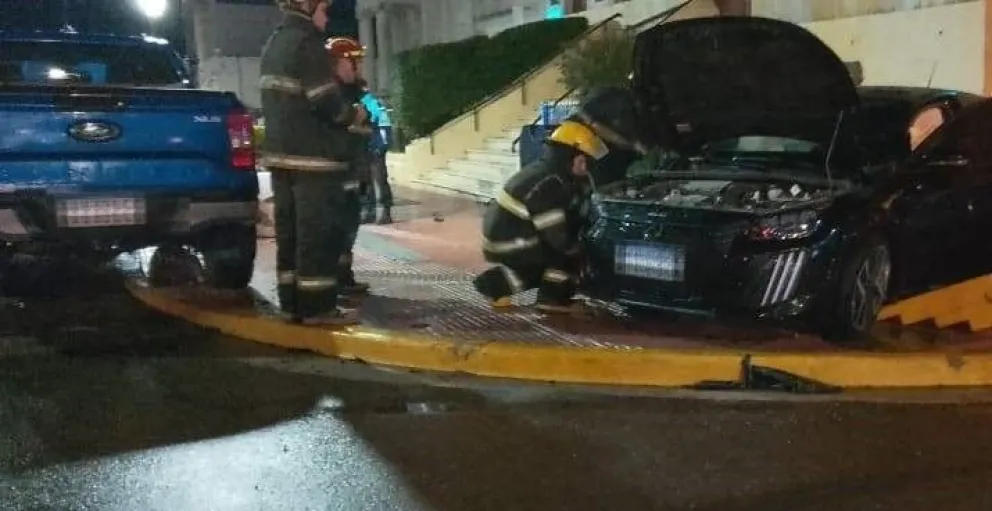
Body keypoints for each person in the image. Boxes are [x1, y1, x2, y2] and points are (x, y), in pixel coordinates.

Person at [258, 0, 366, 325]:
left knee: (290, 237)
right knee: (317, 236)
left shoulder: (275, 43)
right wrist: (353, 114)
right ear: (307, 7)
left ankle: (292, 304)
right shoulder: (309, 44)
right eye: (323, 9)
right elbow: (324, 102)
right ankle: (319, 308)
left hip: (282, 160)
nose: (327, 16)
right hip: (314, 162)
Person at [472, 120, 608, 314]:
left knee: (539, 270)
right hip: (514, 242)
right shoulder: (552, 183)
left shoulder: (545, 172)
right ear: (569, 157)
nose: (587, 166)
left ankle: (494, 284)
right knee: (569, 254)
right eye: (583, 160)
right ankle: (553, 299)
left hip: (506, 239)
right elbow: (558, 237)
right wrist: (580, 250)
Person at [324, 36, 373, 297]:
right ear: (340, 63)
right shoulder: (331, 96)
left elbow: (369, 127)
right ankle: (333, 279)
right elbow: (337, 132)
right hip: (335, 175)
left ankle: (344, 276)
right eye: (355, 62)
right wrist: (356, 123)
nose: (359, 68)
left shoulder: (356, 93)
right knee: (336, 229)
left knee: (349, 228)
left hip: (353, 172)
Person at [359, 87, 394, 225]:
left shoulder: (370, 102)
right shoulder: (362, 101)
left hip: (376, 146)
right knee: (367, 179)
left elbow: (382, 124)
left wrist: (380, 146)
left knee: (379, 178)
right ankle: (370, 211)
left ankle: (384, 211)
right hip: (368, 147)